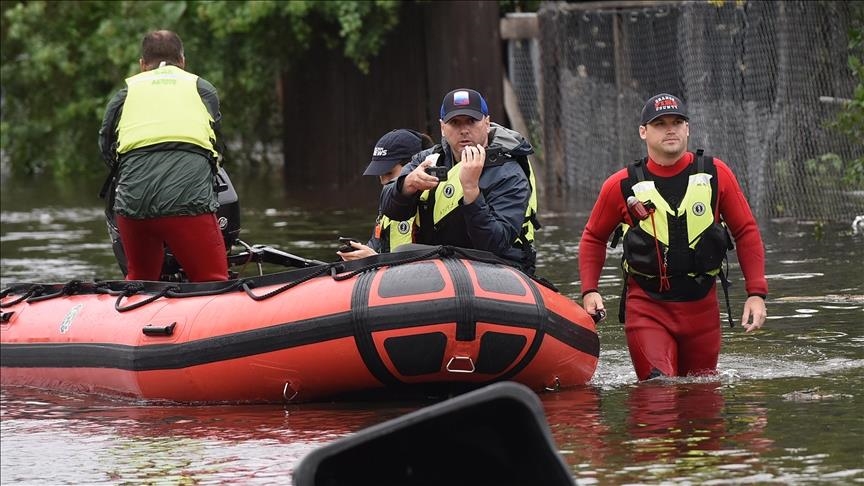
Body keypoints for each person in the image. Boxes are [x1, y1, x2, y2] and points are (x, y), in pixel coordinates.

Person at [578, 93, 768, 381]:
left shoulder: (717, 175)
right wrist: (590, 289)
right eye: (660, 123)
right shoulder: (621, 185)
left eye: (677, 122)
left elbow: (746, 231)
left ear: (688, 128)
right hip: (647, 308)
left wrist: (756, 293)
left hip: (702, 310)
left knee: (703, 402)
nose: (670, 129)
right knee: (658, 395)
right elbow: (593, 237)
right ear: (643, 132)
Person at [98, 30, 228, 282]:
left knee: (140, 279)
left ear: (142, 65)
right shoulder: (202, 88)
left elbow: (105, 146)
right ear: (182, 60)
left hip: (133, 204)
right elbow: (216, 143)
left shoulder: (125, 93)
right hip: (189, 202)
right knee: (213, 281)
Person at [380, 88, 540, 274]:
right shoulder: (426, 160)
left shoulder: (509, 173)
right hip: (438, 265)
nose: (464, 130)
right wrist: (408, 184)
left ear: (487, 123)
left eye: (471, 121)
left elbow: (495, 243)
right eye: (454, 123)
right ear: (442, 127)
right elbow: (388, 208)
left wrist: (472, 191)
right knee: (403, 253)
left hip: (497, 268)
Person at [339, 129, 434, 261]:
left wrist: (375, 260)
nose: (383, 181)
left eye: (389, 173)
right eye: (380, 174)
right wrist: (360, 254)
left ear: (413, 167)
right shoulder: (388, 205)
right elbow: (377, 248)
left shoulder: (435, 203)